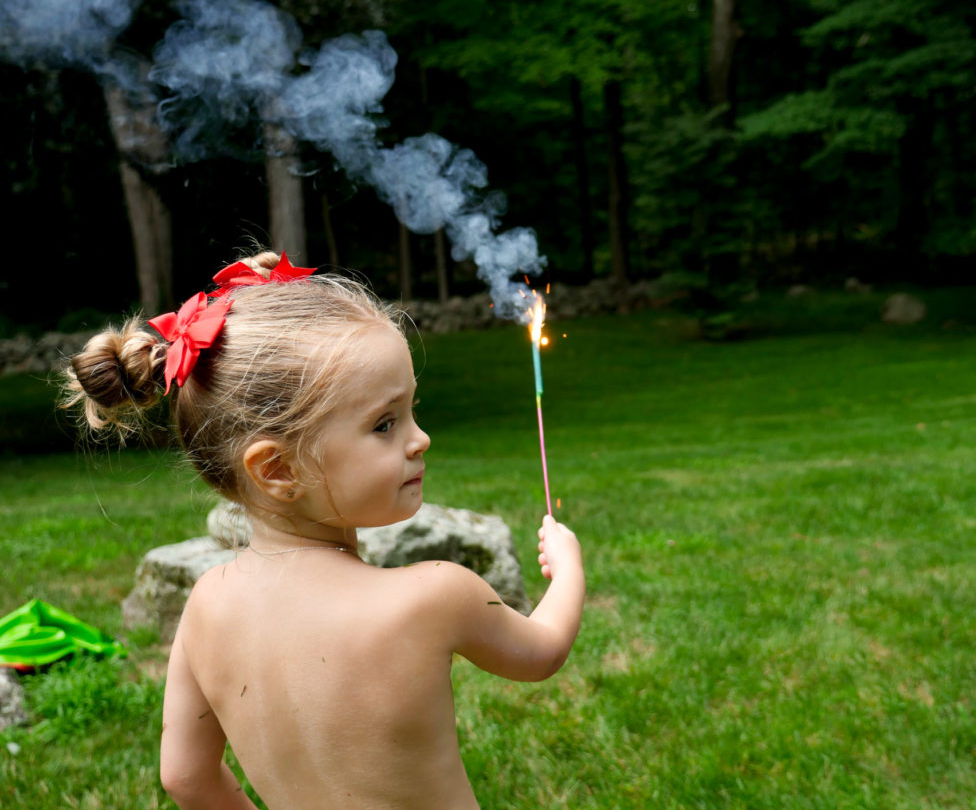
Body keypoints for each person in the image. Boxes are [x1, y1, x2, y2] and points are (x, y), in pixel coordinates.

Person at [63, 251, 585, 810]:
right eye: (385, 424)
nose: (420, 438)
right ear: (278, 470)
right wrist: (568, 566)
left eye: (412, 410)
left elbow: (185, 778)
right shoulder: (436, 594)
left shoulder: (205, 607)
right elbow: (543, 651)